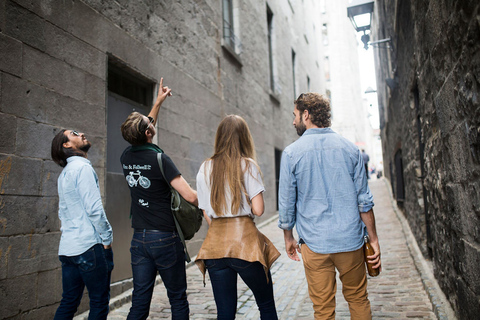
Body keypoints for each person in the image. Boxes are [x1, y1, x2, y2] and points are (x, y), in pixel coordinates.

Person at [278, 93, 381, 320]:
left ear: (306, 115)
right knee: (358, 299)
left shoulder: (291, 154)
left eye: (295, 115)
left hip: (315, 245)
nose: (293, 121)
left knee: (323, 310)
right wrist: (373, 238)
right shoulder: (351, 150)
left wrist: (288, 237)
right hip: (350, 242)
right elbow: (364, 200)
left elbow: (286, 203)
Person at [120, 78, 197, 320]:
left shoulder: (125, 157)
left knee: (139, 303)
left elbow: (145, 127)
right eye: (148, 124)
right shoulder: (159, 159)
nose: (150, 122)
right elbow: (190, 197)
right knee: (177, 299)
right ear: (148, 133)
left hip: (139, 239)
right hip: (164, 237)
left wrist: (158, 102)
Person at [195, 115, 280, 320]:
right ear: (244, 137)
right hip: (245, 246)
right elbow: (258, 209)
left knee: (225, 313)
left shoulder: (205, 168)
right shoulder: (247, 165)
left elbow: (205, 210)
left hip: (215, 247)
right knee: (266, 305)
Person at [51, 129, 114, 320]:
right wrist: (107, 239)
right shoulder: (83, 168)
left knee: (69, 301)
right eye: (74, 133)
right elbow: (94, 209)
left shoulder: (64, 175)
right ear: (66, 145)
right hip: (89, 247)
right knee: (99, 302)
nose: (82, 133)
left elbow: (64, 213)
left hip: (68, 249)